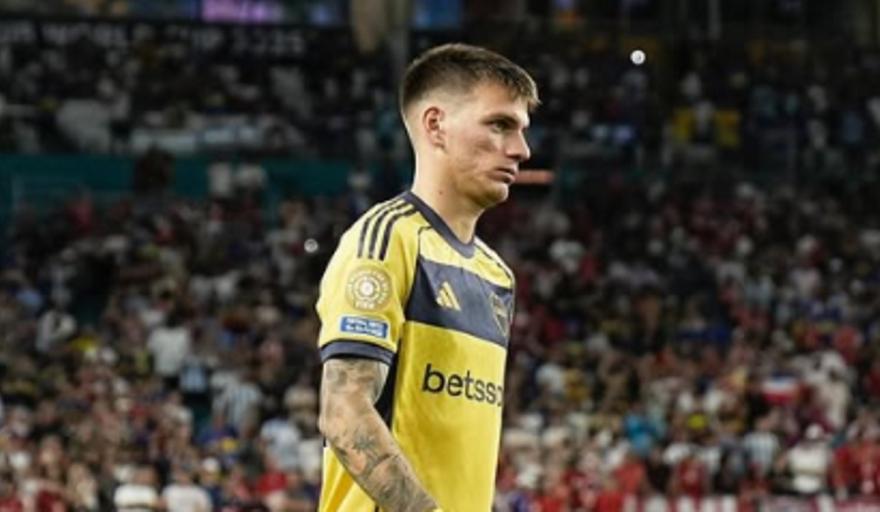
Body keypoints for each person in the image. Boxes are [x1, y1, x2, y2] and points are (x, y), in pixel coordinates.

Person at [315, 43, 539, 512]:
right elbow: (343, 414)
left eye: (521, 130)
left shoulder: (496, 274)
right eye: (500, 125)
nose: (521, 149)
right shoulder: (386, 240)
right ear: (436, 125)